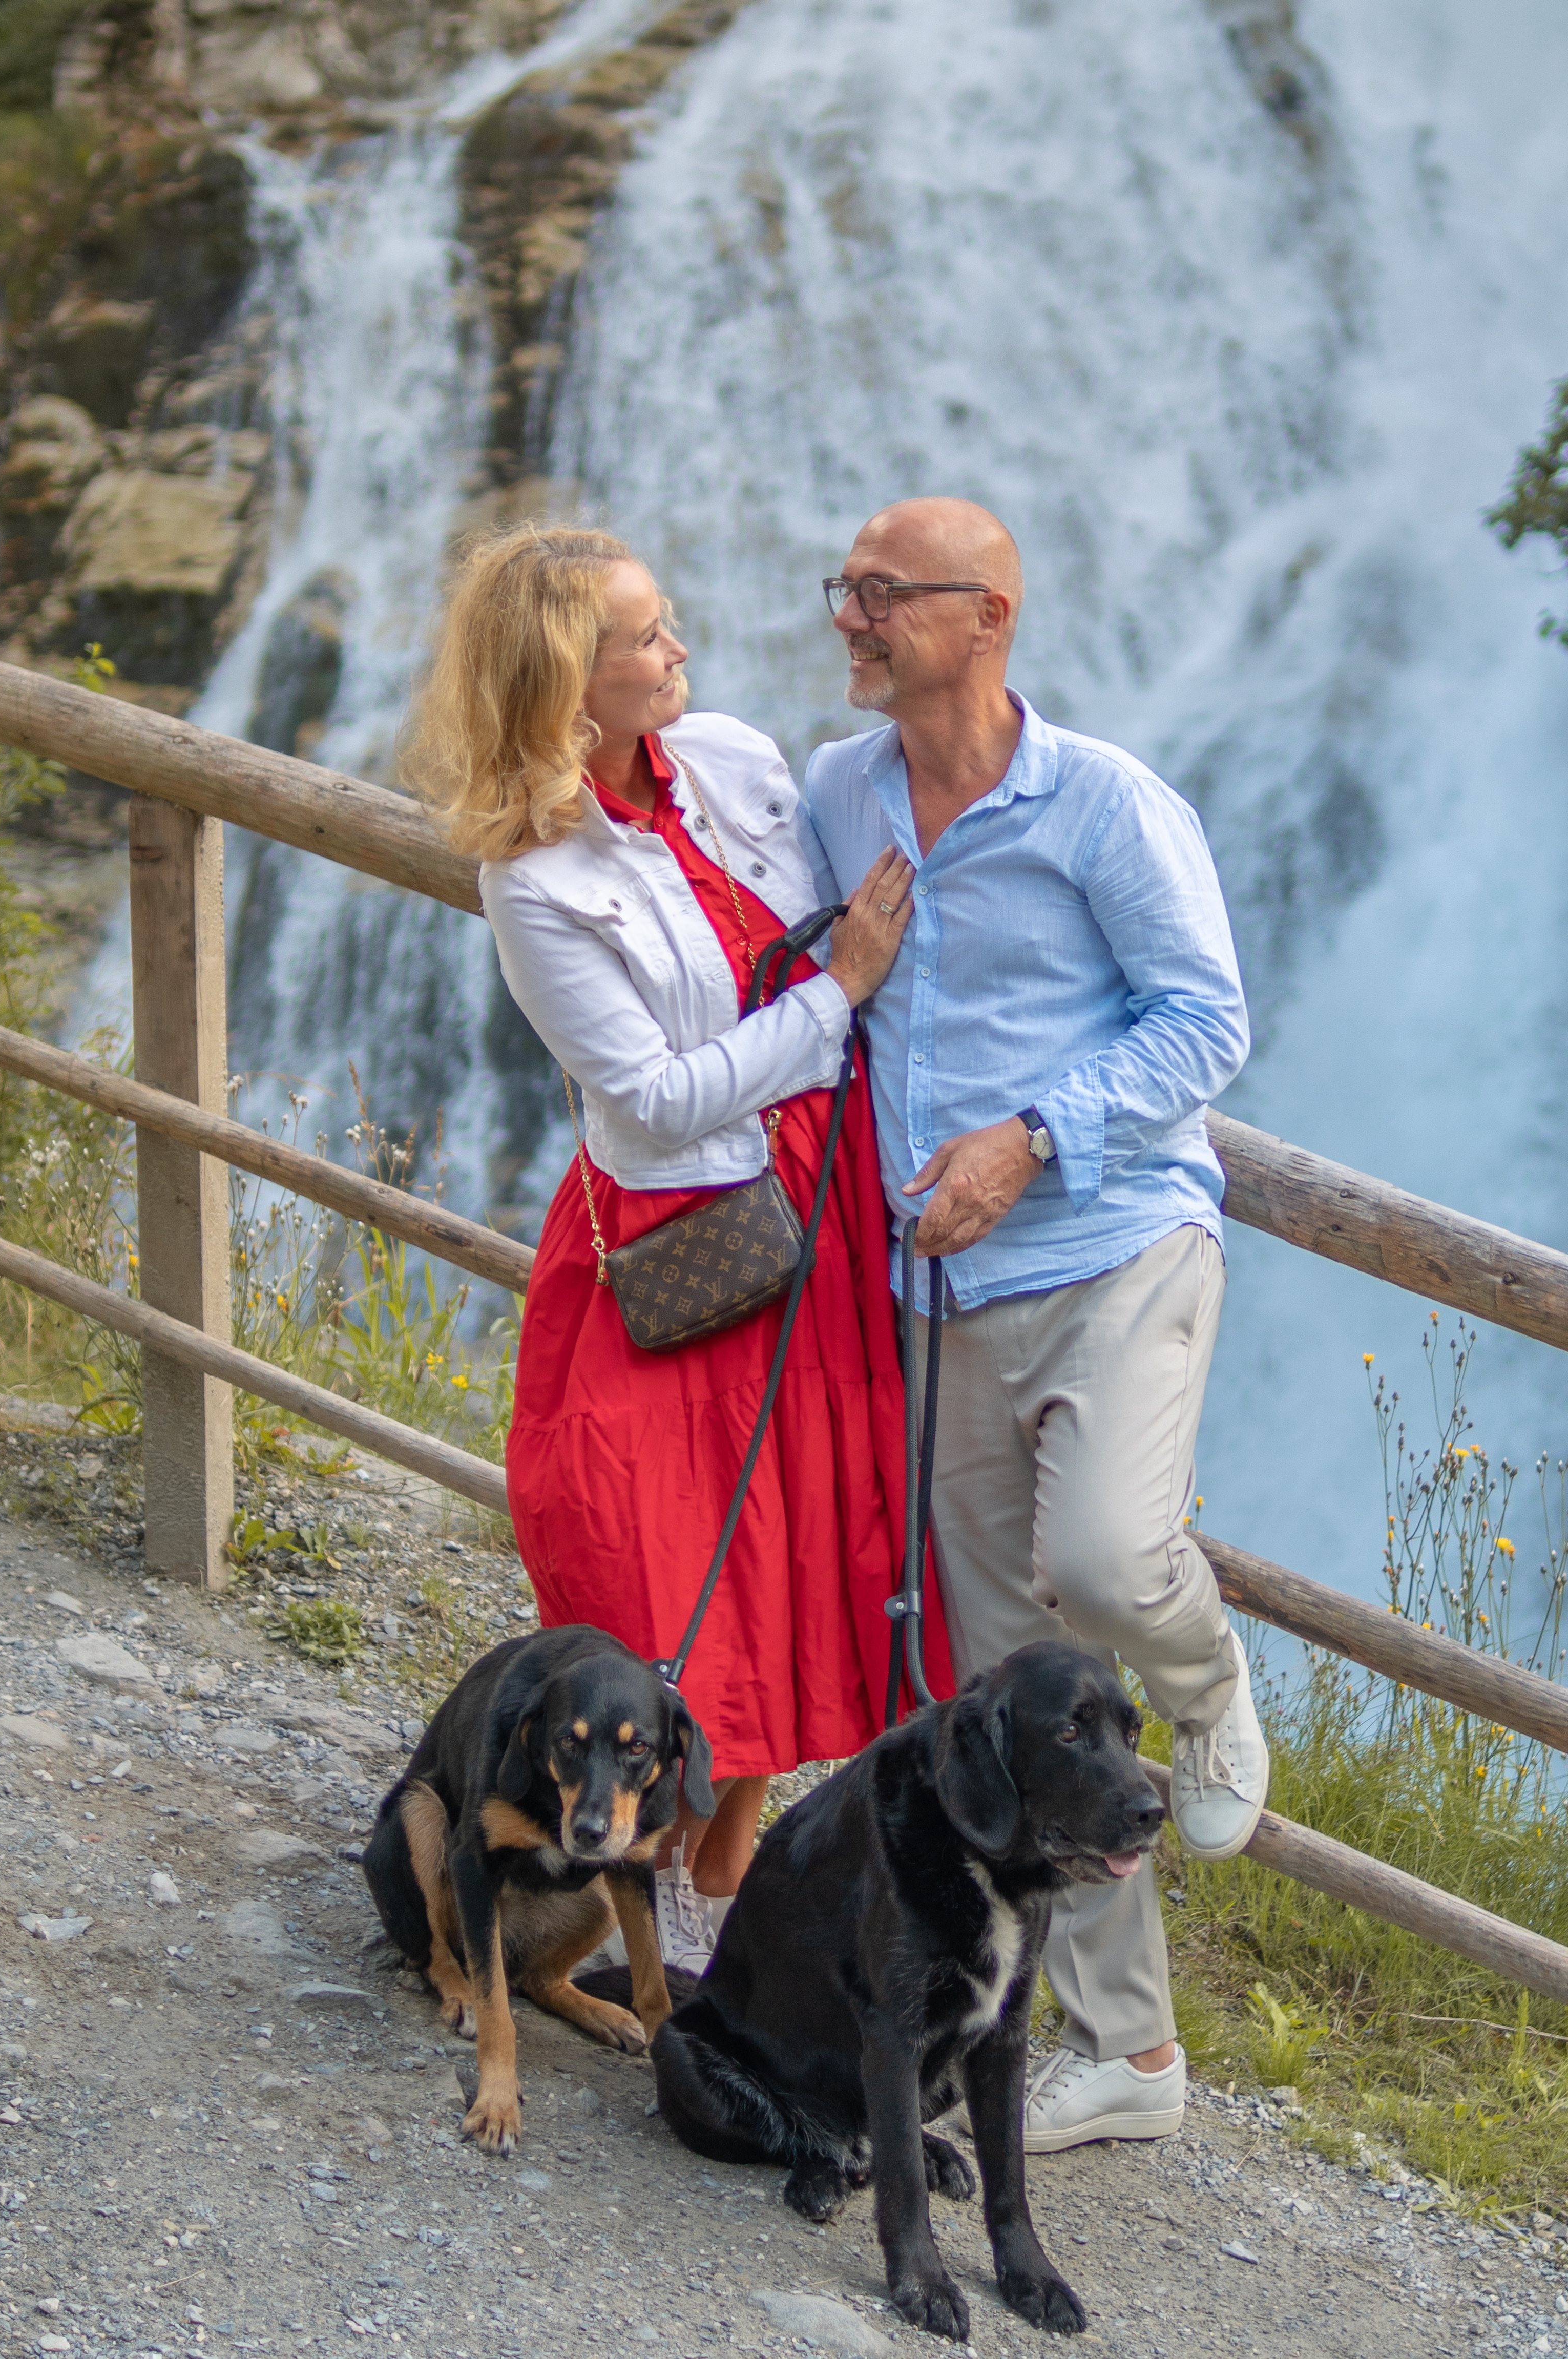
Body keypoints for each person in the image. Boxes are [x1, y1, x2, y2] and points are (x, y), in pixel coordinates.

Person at [405, 523, 952, 1973]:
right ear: (574, 684)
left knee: (801, 1545)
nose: (680, 651)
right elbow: (644, 1100)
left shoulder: (735, 760)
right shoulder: (532, 873)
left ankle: (718, 1871)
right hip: (685, 1234)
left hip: (821, 1205)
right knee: (650, 1563)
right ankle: (632, 1874)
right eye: (649, 637)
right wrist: (834, 1001)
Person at [801, 496, 1266, 2154]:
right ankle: (1129, 2057)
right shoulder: (839, 788)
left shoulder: (1107, 806)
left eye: (880, 595)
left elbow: (1207, 1018)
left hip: (1115, 1245)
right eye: (843, 590)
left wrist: (1033, 1137)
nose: (847, 617)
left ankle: (1207, 1687)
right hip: (938, 1294)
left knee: (1110, 1561)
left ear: (984, 616)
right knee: (1022, 1714)